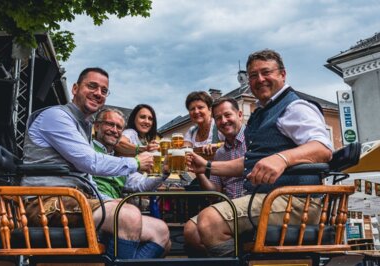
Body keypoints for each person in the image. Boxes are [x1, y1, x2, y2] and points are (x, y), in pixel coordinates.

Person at [186, 49, 333, 256]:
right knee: (193, 228)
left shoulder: (295, 106)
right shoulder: (261, 112)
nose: (260, 79)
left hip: (297, 202)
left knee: (211, 220)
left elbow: (323, 148)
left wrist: (282, 158)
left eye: (266, 72)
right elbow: (248, 163)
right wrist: (207, 166)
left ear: (283, 74)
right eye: (253, 75)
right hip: (272, 198)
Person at [21, 67, 170, 259]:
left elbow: (88, 177)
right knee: (128, 216)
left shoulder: (84, 126)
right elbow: (89, 162)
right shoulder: (56, 116)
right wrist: (135, 162)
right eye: (92, 86)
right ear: (75, 88)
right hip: (46, 202)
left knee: (161, 230)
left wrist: (109, 200)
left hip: (75, 199)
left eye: (104, 90)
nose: (98, 93)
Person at [183, 96, 248, 255]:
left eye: (227, 115)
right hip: (227, 204)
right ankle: (235, 255)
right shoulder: (220, 153)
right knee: (190, 231)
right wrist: (200, 174)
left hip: (250, 201)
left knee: (207, 223)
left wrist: (207, 165)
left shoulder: (252, 139)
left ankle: (237, 257)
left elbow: (248, 165)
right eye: (218, 118)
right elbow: (214, 192)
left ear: (239, 115)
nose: (224, 121)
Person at [92, 107, 164, 199]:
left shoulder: (122, 162)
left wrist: (165, 172)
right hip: (96, 204)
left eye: (119, 127)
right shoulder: (88, 149)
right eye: (110, 124)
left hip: (115, 205)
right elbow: (120, 144)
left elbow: (142, 185)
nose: (114, 130)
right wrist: (141, 154)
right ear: (97, 126)